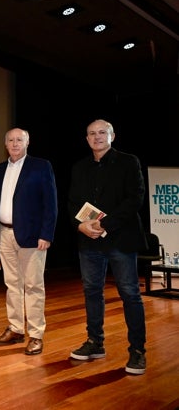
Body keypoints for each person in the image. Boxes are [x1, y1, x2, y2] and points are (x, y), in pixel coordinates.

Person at [68, 119, 147, 375]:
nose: (97, 137)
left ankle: (137, 351)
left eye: (102, 132)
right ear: (87, 138)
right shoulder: (79, 167)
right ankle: (95, 342)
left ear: (112, 135)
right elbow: (72, 203)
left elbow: (135, 198)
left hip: (120, 239)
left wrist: (105, 225)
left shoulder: (129, 161)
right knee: (92, 291)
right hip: (88, 239)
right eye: (91, 133)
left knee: (130, 294)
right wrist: (80, 226)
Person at [0, 128, 57, 356]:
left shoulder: (41, 166)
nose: (15, 144)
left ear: (27, 142)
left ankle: (36, 335)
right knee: (12, 284)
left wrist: (46, 234)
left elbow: (50, 203)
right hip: (4, 234)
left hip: (33, 237)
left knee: (34, 285)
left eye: (19, 140)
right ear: (5, 144)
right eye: (11, 140)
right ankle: (16, 329)